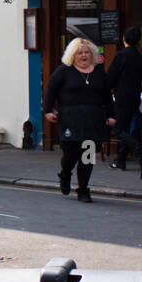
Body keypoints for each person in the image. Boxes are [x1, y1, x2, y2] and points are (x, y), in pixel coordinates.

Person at [43, 37, 115, 203]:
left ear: (92, 54)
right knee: (70, 153)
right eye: (80, 52)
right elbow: (51, 90)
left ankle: (83, 190)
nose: (84, 55)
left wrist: (111, 115)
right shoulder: (64, 70)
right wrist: (47, 110)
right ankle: (65, 173)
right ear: (72, 55)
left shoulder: (98, 71)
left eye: (87, 52)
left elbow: (106, 96)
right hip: (70, 119)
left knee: (88, 156)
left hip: (93, 120)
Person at [105, 27, 142, 169]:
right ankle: (120, 160)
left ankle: (140, 149)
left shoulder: (121, 55)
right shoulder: (139, 57)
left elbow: (111, 78)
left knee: (118, 129)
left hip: (122, 97)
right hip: (135, 97)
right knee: (126, 128)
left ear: (124, 39)